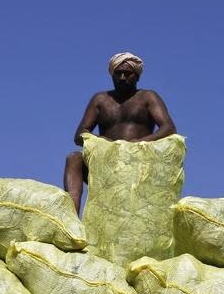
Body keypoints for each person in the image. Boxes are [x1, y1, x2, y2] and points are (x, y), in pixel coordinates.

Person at [64, 52, 177, 214]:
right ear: (112, 75)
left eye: (128, 73)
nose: (123, 77)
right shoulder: (100, 99)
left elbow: (169, 128)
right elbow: (80, 134)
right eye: (118, 73)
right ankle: (71, 217)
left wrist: (137, 143)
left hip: (138, 161)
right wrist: (100, 141)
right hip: (106, 162)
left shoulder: (148, 97)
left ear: (137, 76)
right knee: (74, 158)